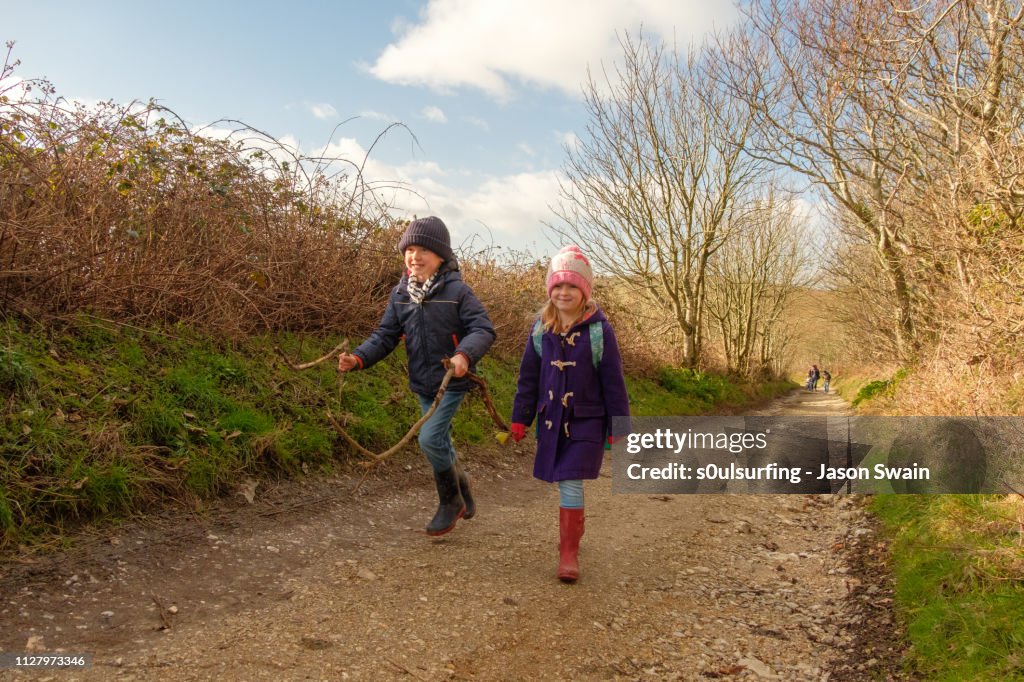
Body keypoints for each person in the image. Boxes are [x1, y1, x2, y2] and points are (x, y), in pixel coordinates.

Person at [338, 216, 496, 537]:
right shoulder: (401, 295)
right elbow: (385, 335)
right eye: (409, 249)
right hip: (423, 383)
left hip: (451, 381)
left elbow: (483, 329)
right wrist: (358, 358)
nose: (415, 256)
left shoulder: (457, 292)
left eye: (424, 249)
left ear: (441, 256)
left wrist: (464, 354)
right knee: (440, 440)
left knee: (429, 439)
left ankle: (450, 501)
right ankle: (462, 483)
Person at [509, 245, 630, 583]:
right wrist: (521, 418)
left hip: (586, 421)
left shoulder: (598, 332)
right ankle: (575, 530)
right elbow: (528, 379)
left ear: (585, 291)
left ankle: (568, 554)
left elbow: (613, 382)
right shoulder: (540, 330)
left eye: (572, 286)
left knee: (570, 482)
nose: (564, 292)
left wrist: (618, 425)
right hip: (551, 419)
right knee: (566, 483)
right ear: (550, 290)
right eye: (558, 286)